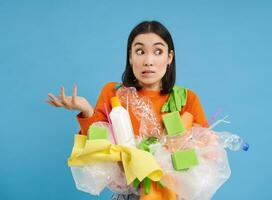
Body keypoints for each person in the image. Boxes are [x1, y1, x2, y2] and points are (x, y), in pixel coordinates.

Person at [47, 20, 209, 200]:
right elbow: (98, 144)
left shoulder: (186, 99)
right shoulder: (113, 94)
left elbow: (206, 151)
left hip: (172, 194)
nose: (148, 61)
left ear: (169, 58)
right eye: (140, 51)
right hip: (128, 195)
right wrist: (86, 109)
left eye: (158, 51)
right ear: (130, 56)